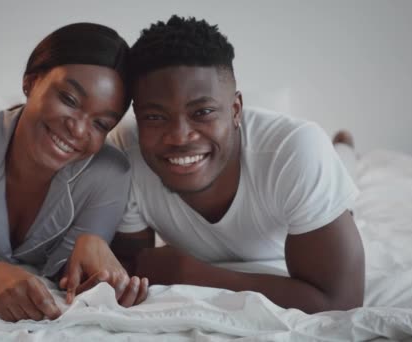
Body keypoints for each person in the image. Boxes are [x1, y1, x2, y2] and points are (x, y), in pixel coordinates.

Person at [108, 15, 365, 314]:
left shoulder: (295, 148)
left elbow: (340, 302)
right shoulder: (125, 152)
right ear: (136, 116)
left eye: (202, 112)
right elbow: (136, 266)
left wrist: (191, 274)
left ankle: (343, 147)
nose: (179, 137)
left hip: (311, 167)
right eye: (154, 117)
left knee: (342, 166)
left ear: (235, 110)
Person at [0, 22, 148, 323]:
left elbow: (67, 277)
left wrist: (94, 252)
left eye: (101, 123)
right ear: (31, 81)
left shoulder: (110, 172)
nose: (77, 129)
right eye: (69, 99)